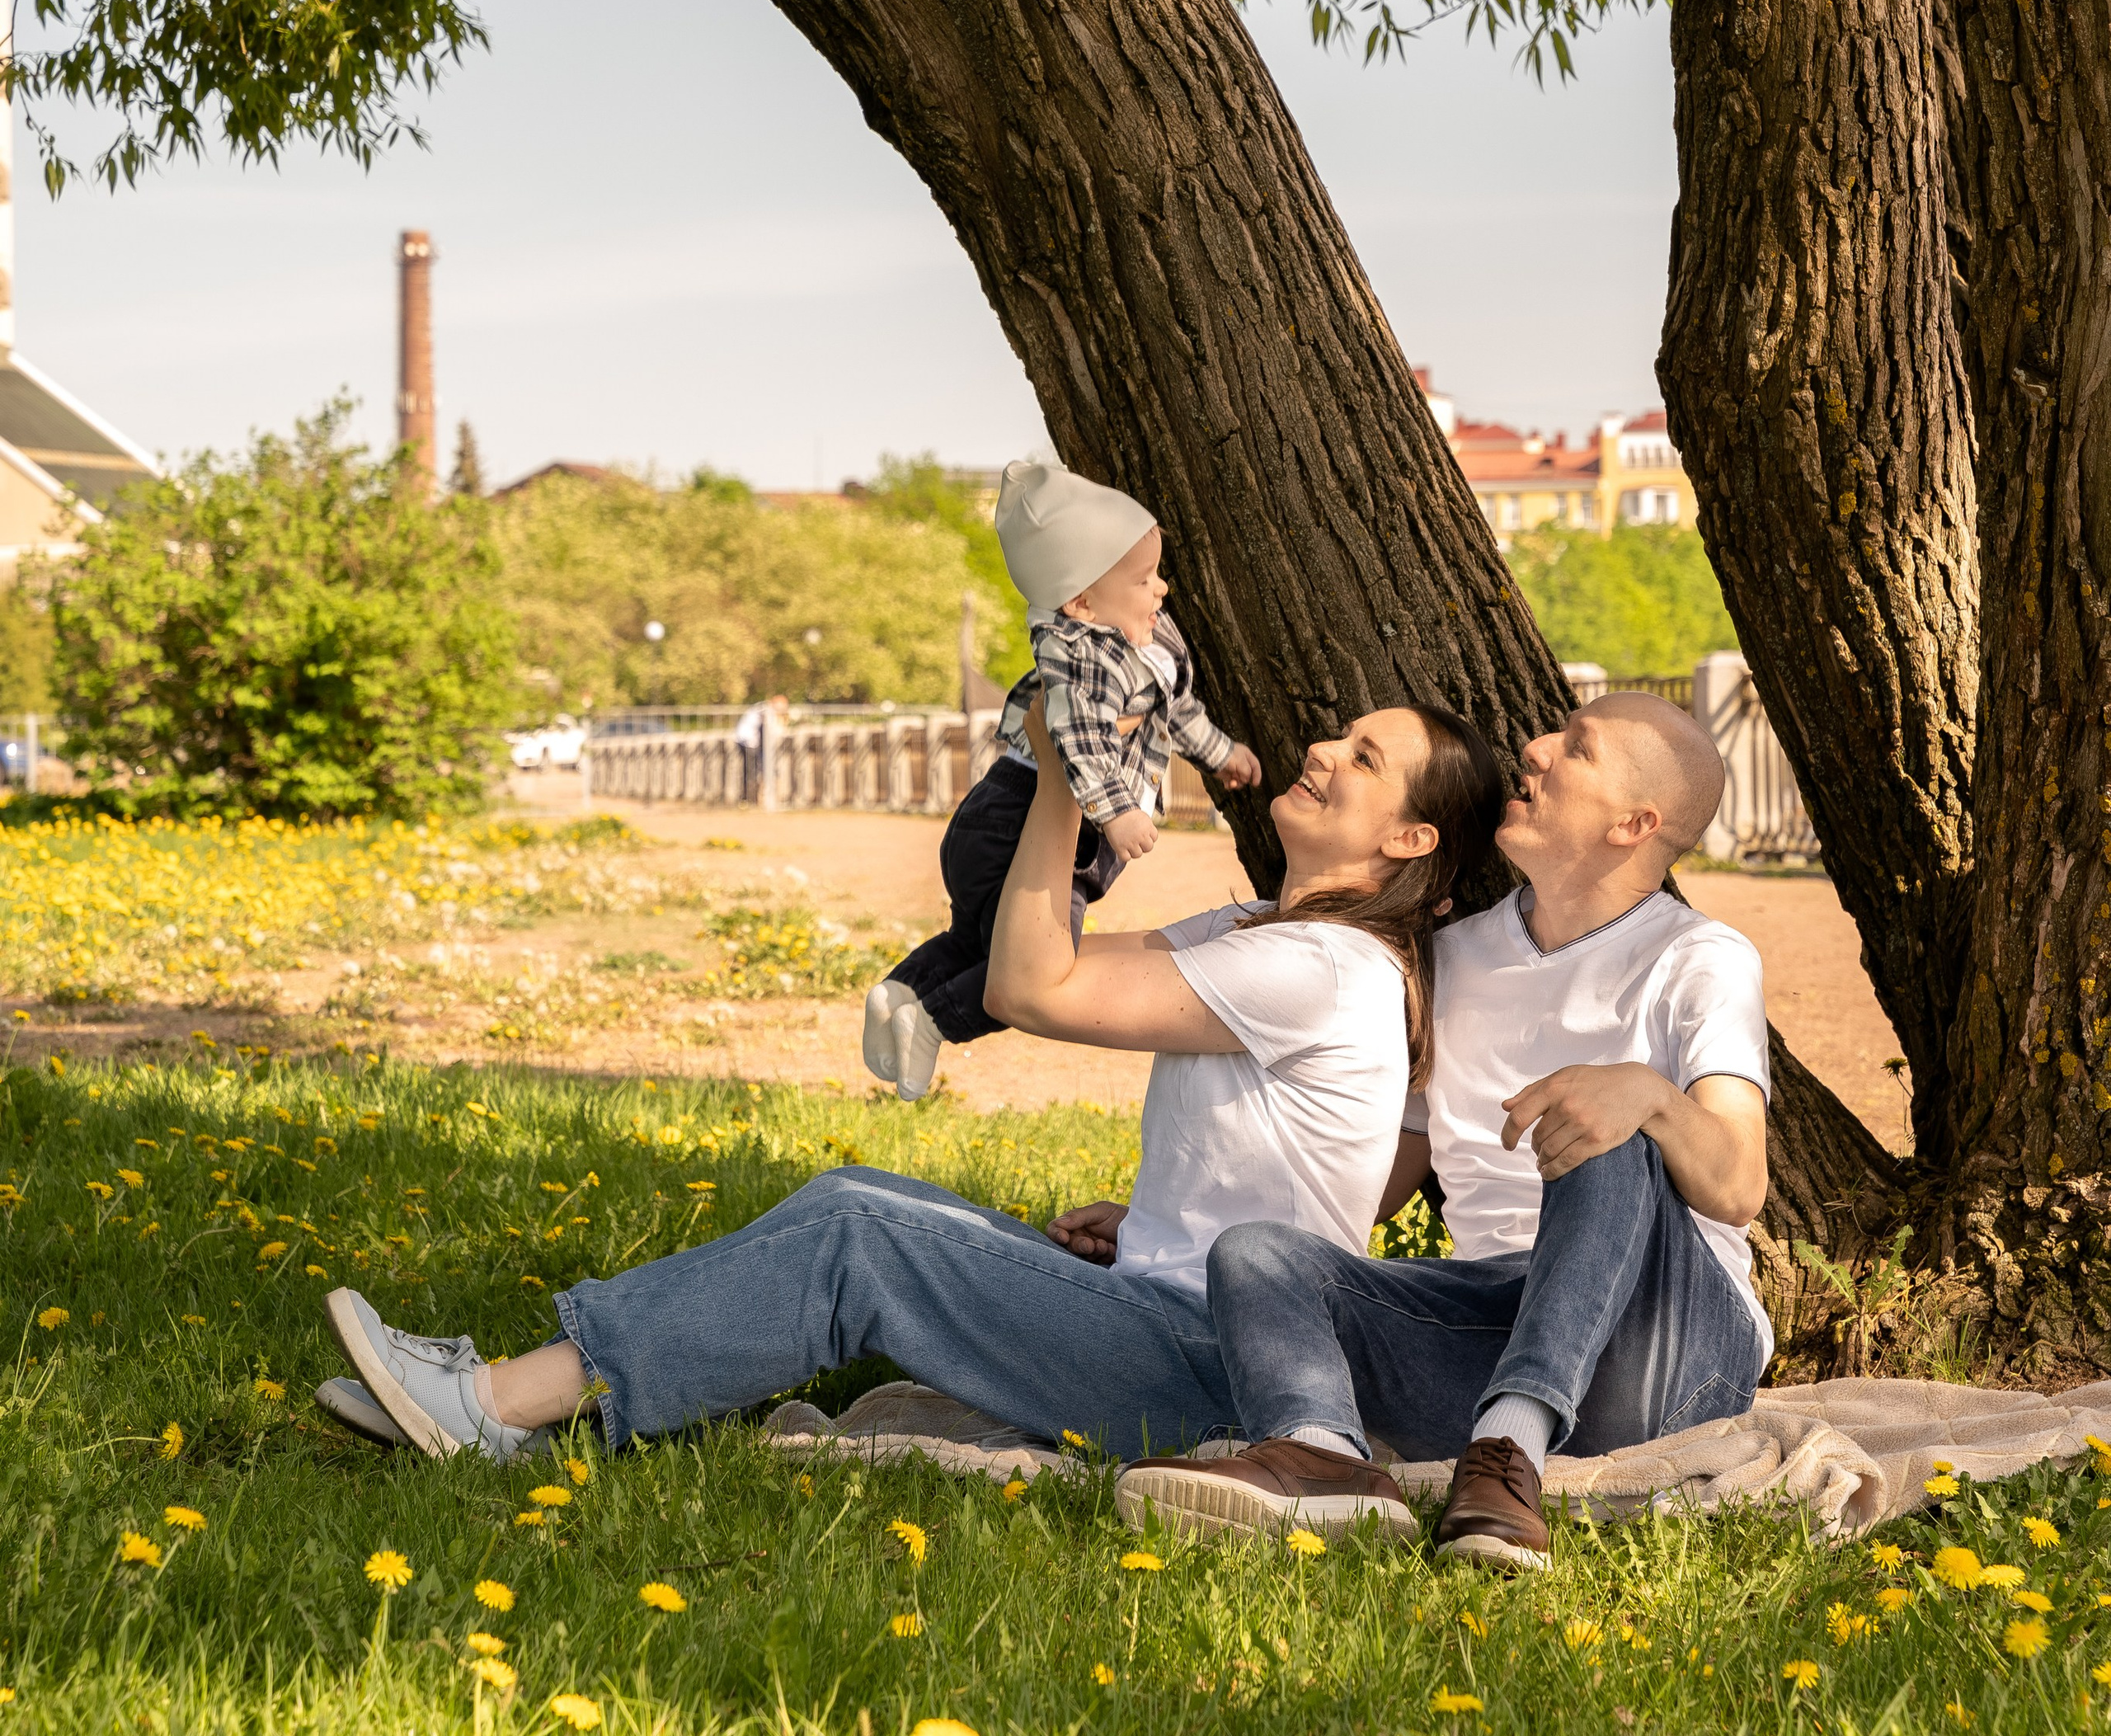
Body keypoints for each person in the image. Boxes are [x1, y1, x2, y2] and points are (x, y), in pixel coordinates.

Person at [317, 694, 1503, 1469]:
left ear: (1409, 842)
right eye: (1337, 735)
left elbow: (1039, 991)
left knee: (859, 1239)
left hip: (1206, 1365)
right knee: (860, 1193)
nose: (1320, 752)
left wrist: (1062, 780)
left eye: (1363, 758)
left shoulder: (1323, 968)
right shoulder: (1274, 934)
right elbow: (1025, 963)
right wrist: (1157, 1222)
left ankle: (495, 1410)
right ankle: (531, 1397)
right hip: (1174, 1310)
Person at [1118, 694, 1770, 1569]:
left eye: (1574, 749)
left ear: (1634, 822)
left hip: (1669, 1345)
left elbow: (1736, 1187)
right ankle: (1323, 1459)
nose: (1533, 750)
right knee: (1258, 1253)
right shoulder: (1454, 958)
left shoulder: (1701, 959)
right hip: (1486, 1324)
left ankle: (1508, 1450)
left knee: (1603, 1123)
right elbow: (1379, 1176)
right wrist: (1163, 1206)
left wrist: (1646, 1096)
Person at [863, 452, 1261, 1099]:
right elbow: (1075, 741)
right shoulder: (1077, 659)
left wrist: (1219, 753)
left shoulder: (1148, 636)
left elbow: (1177, 707)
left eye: (1157, 574)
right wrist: (1117, 812)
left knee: (978, 938)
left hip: (998, 814)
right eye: (1143, 580)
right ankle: (936, 1021)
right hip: (1025, 819)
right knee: (1041, 963)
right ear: (1080, 601)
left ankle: (901, 991)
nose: (1161, 590)